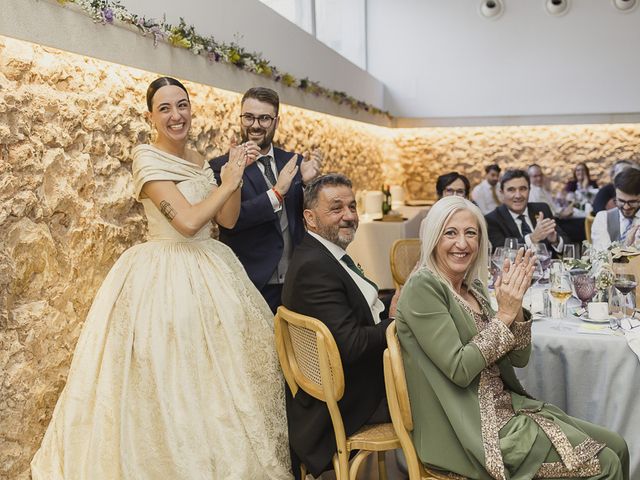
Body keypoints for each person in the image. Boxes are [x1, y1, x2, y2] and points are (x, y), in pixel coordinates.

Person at [31, 77, 292, 479]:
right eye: (166, 108)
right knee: (174, 378)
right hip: (166, 274)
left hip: (213, 269)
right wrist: (226, 182)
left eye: (183, 105)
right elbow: (187, 222)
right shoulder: (146, 160)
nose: (177, 115)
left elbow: (227, 218)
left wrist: (235, 176)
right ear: (151, 116)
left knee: (223, 383)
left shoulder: (199, 158)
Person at [395, 195, 629, 479]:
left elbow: (518, 358)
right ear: (433, 237)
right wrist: (504, 315)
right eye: (450, 233)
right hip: (469, 428)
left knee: (618, 446)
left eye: (471, 233)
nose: (462, 243)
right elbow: (458, 369)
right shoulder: (424, 287)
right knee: (607, 463)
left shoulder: (473, 287)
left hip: (508, 410)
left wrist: (515, 308)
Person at [281, 174, 392, 479]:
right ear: (310, 218)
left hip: (352, 383)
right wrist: (395, 323)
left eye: (352, 206)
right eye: (336, 208)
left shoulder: (323, 254)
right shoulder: (314, 267)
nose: (349, 215)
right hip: (348, 402)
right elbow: (352, 345)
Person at [210, 87, 322, 312]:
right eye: (249, 117)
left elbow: (306, 218)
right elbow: (231, 222)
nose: (255, 125)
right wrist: (276, 193)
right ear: (241, 118)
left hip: (296, 280)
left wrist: (309, 183)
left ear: (276, 122)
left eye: (264, 118)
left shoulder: (294, 161)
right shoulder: (220, 167)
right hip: (252, 281)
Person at [485, 169, 569, 255]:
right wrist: (532, 238)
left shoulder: (542, 209)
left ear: (529, 190)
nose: (518, 195)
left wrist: (555, 240)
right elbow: (501, 252)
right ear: (502, 193)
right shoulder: (492, 219)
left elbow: (567, 245)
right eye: (511, 190)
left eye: (522, 189)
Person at [591, 167, 640, 250]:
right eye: (621, 201)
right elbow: (602, 257)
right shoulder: (603, 219)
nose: (626, 207)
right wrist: (626, 246)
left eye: (632, 202)